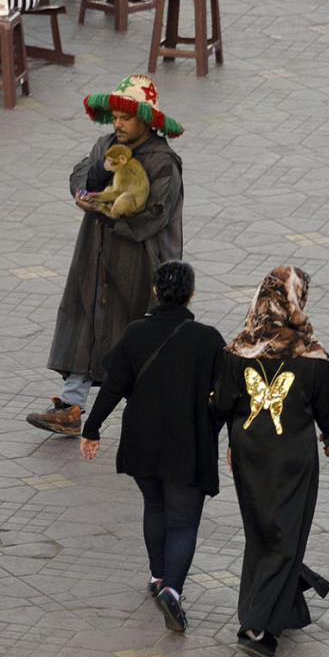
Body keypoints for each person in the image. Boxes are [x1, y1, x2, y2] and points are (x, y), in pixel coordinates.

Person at [27, 74, 185, 436]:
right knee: (85, 323)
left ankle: (152, 414)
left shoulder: (163, 162)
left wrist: (105, 214)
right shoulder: (105, 147)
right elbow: (79, 177)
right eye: (115, 118)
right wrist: (92, 181)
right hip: (95, 259)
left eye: (125, 118)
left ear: (145, 119)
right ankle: (70, 406)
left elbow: (153, 215)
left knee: (135, 337)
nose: (118, 124)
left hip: (141, 266)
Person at [79, 262, 225, 632]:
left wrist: (91, 429)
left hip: (142, 442)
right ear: (192, 293)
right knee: (183, 520)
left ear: (155, 291)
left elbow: (112, 386)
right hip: (188, 445)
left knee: (155, 505)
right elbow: (226, 397)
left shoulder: (135, 333)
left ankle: (158, 577)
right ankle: (172, 592)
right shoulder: (208, 340)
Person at [211, 266, 329, 657]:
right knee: (285, 536)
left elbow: (218, 405)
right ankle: (255, 626)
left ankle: (285, 608)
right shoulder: (312, 357)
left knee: (261, 532)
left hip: (248, 456)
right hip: (292, 461)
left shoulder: (238, 351)